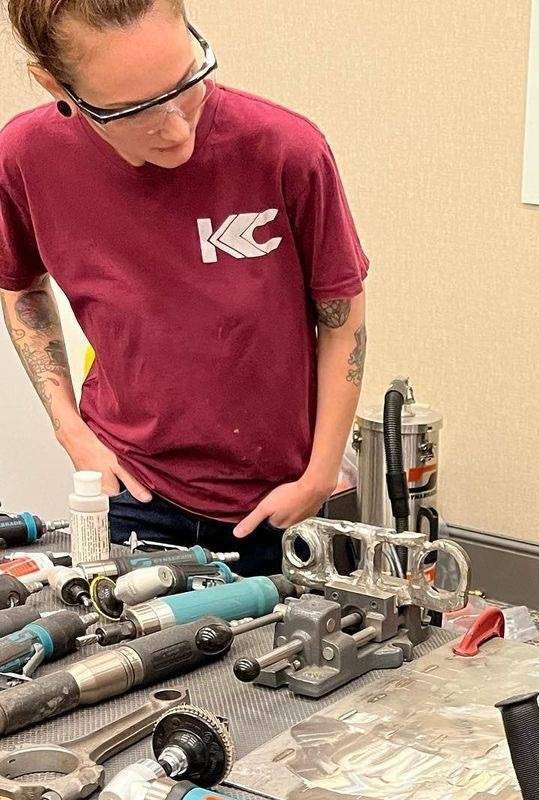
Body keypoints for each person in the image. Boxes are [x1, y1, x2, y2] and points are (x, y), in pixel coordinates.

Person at [1, 0, 369, 576]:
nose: (177, 130)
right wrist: (69, 429)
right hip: (130, 491)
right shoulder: (27, 157)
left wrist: (320, 474)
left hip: (278, 501)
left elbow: (341, 317)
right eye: (134, 111)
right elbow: (22, 287)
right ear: (57, 87)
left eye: (188, 81)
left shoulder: (285, 150)